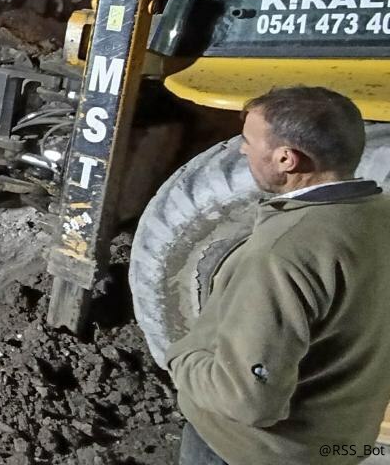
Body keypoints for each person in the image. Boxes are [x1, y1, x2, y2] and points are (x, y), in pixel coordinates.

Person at [166, 86, 390, 465]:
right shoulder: (378, 214)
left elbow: (248, 401)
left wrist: (182, 360)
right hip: (340, 441)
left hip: (248, 451)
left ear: (286, 159)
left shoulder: (282, 254)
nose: (242, 150)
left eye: (249, 141)